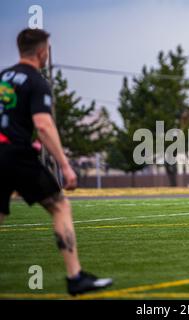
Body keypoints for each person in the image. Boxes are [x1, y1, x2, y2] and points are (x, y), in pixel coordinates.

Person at [0, 28, 113, 295]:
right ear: (42, 51)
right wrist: (64, 164)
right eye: (47, 49)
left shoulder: (3, 78)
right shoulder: (36, 81)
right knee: (60, 206)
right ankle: (75, 278)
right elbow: (43, 124)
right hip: (16, 155)